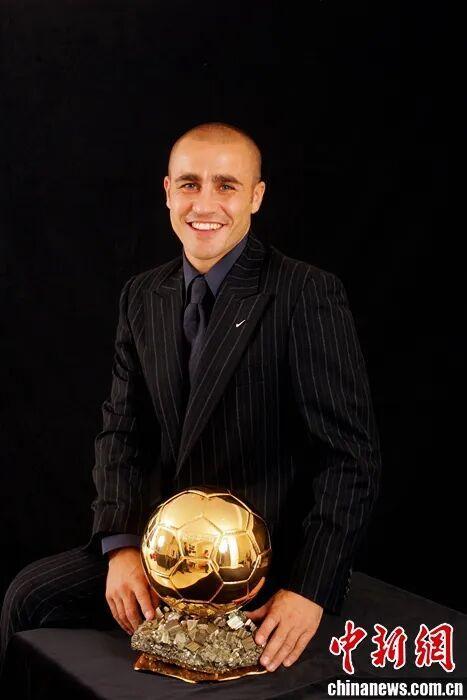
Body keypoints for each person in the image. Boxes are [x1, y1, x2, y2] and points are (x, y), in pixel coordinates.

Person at [0, 122, 381, 678]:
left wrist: (309, 589)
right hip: (163, 553)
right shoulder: (142, 295)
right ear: (167, 192)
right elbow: (121, 432)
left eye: (226, 185)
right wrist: (121, 547)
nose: (204, 204)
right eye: (189, 184)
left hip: (262, 563)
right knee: (28, 596)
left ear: (256, 196)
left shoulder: (305, 292)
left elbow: (351, 458)